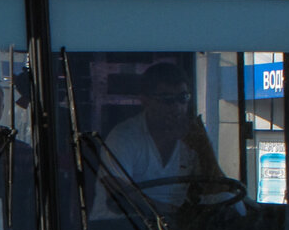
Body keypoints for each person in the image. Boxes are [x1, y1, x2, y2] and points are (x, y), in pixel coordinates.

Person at [91, 61, 223, 221]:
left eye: (183, 98)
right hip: (123, 229)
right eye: (167, 99)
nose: (176, 107)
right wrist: (169, 212)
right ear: (145, 101)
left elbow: (218, 190)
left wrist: (203, 149)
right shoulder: (124, 137)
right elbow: (120, 196)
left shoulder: (191, 139)